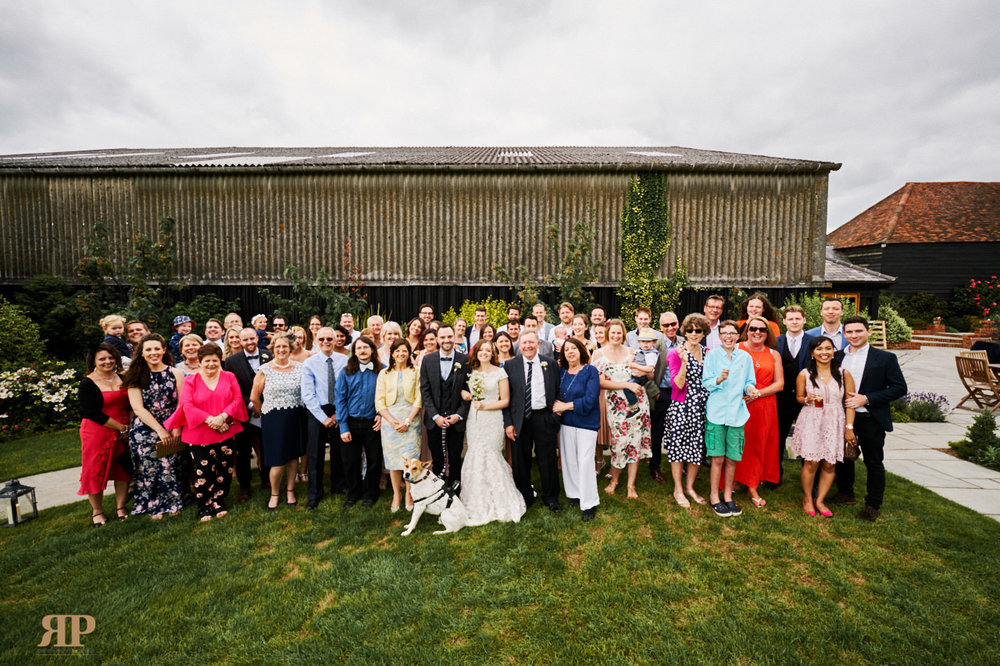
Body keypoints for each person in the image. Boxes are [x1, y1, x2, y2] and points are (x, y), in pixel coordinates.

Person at [832, 316, 907, 521]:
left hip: (870, 417)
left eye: (858, 331)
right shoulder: (836, 356)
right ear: (844, 334)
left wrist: (867, 398)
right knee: (843, 457)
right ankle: (846, 492)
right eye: (849, 332)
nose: (854, 335)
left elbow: (900, 387)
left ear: (868, 332)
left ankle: (873, 504)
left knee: (873, 461)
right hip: (843, 416)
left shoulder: (885, 358)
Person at [165, 344, 246, 521]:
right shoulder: (191, 380)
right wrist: (212, 421)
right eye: (207, 361)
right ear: (200, 362)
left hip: (225, 429)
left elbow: (237, 399)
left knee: (225, 467)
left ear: (220, 361)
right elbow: (187, 405)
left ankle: (219, 500)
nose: (211, 364)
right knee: (203, 469)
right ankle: (204, 504)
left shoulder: (229, 376)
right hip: (200, 432)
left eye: (214, 360)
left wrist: (223, 418)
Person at [460, 339, 527, 525]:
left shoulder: (500, 372)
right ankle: (475, 500)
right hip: (474, 420)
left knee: (491, 455)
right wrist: (465, 394)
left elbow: (505, 400)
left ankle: (500, 500)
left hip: (492, 418)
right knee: (474, 455)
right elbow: (465, 391)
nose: (484, 353)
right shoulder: (471, 372)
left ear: (492, 353)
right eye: (481, 350)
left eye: (488, 350)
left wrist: (486, 406)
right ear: (476, 352)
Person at [791, 336, 857, 518]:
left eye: (828, 349)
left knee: (829, 463)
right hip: (812, 420)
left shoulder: (844, 374)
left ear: (833, 351)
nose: (824, 353)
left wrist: (849, 427)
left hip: (835, 420)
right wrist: (806, 399)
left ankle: (820, 500)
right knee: (811, 462)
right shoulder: (804, 374)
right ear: (812, 353)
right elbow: (798, 397)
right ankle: (808, 498)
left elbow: (850, 403)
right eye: (819, 349)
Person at [123, 333, 186, 520]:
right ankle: (153, 503)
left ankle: (173, 501)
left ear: (164, 350)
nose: (153, 353)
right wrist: (159, 430)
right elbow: (137, 408)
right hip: (145, 428)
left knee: (170, 465)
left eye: (157, 348)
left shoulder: (176, 373)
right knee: (148, 467)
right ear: (141, 353)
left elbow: (180, 403)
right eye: (148, 349)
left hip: (171, 422)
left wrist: (176, 427)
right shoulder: (134, 376)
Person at [702, 321, 759, 517]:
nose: (728, 336)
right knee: (717, 458)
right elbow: (706, 383)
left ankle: (728, 496)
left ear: (738, 336)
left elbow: (749, 381)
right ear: (719, 336)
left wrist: (750, 388)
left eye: (732, 333)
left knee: (732, 459)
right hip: (716, 413)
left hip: (737, 414)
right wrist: (718, 379)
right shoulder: (711, 356)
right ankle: (714, 497)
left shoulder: (745, 357)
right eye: (724, 333)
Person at [503, 330, 562, 511]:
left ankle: (551, 497)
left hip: (543, 417)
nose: (528, 346)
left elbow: (557, 389)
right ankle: (524, 496)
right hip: (520, 419)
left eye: (531, 342)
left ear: (538, 344)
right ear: (519, 345)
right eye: (524, 343)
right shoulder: (510, 365)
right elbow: (506, 396)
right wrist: (509, 423)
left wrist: (555, 415)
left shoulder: (550, 363)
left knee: (548, 458)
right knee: (521, 460)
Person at [592, 319, 652, 499]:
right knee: (619, 443)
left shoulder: (632, 352)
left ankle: (631, 485)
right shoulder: (598, 354)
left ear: (623, 334)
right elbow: (600, 383)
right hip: (617, 406)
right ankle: (614, 480)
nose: (616, 336)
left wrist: (642, 373)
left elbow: (647, 373)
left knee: (636, 443)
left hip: (638, 404)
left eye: (619, 333)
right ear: (607, 333)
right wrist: (626, 384)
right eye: (613, 332)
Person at [77, 343, 131, 526]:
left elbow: (130, 404)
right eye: (102, 359)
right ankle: (97, 511)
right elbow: (92, 412)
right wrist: (121, 428)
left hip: (124, 429)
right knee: (95, 470)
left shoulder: (123, 377)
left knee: (123, 469)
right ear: (93, 361)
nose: (108, 362)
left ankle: (121, 507)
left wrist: (127, 427)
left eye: (110, 358)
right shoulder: (88, 383)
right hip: (97, 431)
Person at [734, 315, 785, 508]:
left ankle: (753, 485)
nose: (757, 332)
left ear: (768, 333)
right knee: (738, 442)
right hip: (738, 403)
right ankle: (736, 479)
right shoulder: (736, 349)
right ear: (746, 330)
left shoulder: (773, 354)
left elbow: (780, 384)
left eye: (762, 330)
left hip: (764, 404)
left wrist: (757, 393)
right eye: (753, 328)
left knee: (758, 444)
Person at [250, 332, 305, 510]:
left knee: (293, 457)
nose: (281, 350)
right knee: (277, 459)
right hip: (274, 419)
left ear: (291, 349)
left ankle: (290, 490)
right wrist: (263, 412)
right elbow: (254, 397)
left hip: (295, 417)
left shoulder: (300, 368)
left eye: (285, 347)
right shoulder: (264, 370)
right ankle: (274, 493)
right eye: (278, 347)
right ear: (273, 349)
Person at [552, 338, 602, 521]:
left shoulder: (591, 371)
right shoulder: (562, 372)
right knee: (569, 460)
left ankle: (589, 502)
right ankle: (575, 493)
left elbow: (590, 399)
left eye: (574, 348)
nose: (570, 352)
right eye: (566, 350)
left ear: (581, 351)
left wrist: (565, 406)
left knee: (585, 461)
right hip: (566, 423)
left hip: (586, 423)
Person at [664, 314, 710, 507]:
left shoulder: (708, 352)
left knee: (696, 448)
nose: (693, 333)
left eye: (697, 330)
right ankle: (678, 488)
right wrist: (684, 362)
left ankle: (690, 487)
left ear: (704, 332)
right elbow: (677, 385)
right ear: (684, 331)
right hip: (681, 406)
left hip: (701, 407)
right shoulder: (675, 353)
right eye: (689, 330)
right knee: (677, 447)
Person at [300, 327, 349, 509]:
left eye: (330, 338)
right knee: (315, 453)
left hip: (339, 409)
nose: (326, 342)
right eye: (322, 339)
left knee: (340, 450)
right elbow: (307, 394)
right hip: (317, 411)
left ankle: (339, 485)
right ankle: (315, 493)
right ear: (316, 341)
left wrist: (338, 413)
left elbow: (347, 388)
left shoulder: (345, 361)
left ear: (336, 340)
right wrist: (323, 418)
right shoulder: (309, 363)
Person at [223, 327, 272, 502]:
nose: (249, 342)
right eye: (245, 340)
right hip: (243, 411)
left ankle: (267, 480)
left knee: (267, 446)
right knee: (243, 451)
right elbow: (231, 388)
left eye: (252, 339)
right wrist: (251, 404)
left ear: (257, 339)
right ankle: (245, 487)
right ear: (239, 342)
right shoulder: (231, 361)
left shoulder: (269, 355)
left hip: (268, 408)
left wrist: (264, 405)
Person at [335, 336, 383, 508]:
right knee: (350, 461)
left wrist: (381, 415)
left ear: (372, 350)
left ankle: (371, 494)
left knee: (374, 460)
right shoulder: (346, 372)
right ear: (354, 352)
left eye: (366, 347)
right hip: (351, 422)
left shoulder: (382, 370)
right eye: (359, 348)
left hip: (373, 423)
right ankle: (353, 493)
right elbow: (340, 399)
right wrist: (343, 426)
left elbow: (387, 396)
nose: (362, 351)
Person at [375, 339, 423, 512]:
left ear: (409, 353)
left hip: (411, 421)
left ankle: (410, 493)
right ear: (392, 353)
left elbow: (419, 398)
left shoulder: (416, 371)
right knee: (394, 460)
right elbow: (379, 401)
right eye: (397, 351)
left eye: (404, 351)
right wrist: (392, 421)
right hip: (390, 423)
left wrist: (408, 421)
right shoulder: (384, 374)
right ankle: (397, 494)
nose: (401, 354)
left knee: (410, 460)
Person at [419, 325, 469, 485]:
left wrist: (459, 415)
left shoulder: (465, 360)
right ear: (437, 340)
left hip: (456, 420)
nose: (446, 340)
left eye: (449, 337)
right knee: (437, 457)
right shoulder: (428, 360)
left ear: (454, 337)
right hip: (435, 420)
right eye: (442, 337)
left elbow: (469, 391)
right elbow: (425, 390)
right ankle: (438, 490)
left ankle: (455, 491)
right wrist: (435, 416)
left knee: (455, 457)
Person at [773, 305, 813, 487]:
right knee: (778, 437)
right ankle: (775, 476)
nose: (794, 322)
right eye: (791, 319)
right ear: (784, 321)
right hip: (781, 398)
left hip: (806, 398)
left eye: (798, 318)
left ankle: (809, 477)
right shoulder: (775, 342)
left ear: (804, 320)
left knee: (808, 436)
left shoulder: (814, 342)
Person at [648, 312, 680, 485]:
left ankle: (681, 465)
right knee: (657, 432)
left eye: (673, 324)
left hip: (680, 393)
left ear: (678, 324)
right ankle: (655, 467)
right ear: (660, 327)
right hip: (661, 392)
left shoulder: (684, 342)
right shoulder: (655, 345)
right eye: (666, 325)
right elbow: (646, 372)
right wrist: (655, 391)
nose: (670, 328)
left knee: (680, 430)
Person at [624, 327, 658, 413]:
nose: (645, 344)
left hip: (643, 377)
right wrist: (630, 361)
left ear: (654, 342)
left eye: (648, 341)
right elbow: (632, 356)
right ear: (639, 342)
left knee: (628, 388)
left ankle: (634, 406)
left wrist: (635, 365)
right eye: (643, 341)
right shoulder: (639, 349)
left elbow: (650, 368)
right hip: (635, 373)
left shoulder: (651, 354)